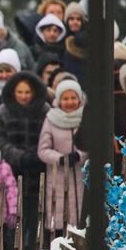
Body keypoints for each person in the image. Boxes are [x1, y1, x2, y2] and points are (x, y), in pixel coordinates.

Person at [0, 72, 49, 250]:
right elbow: (0, 139)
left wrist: (36, 155)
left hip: (38, 173)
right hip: (12, 174)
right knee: (13, 220)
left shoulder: (45, 110)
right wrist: (18, 156)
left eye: (27, 92)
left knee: (35, 220)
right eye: (20, 92)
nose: (24, 96)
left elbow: (47, 137)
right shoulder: (3, 111)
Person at [37, 80, 87, 235]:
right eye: (65, 98)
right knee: (59, 219)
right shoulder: (51, 119)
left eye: (73, 98)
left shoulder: (86, 117)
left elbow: (94, 143)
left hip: (82, 174)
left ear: (79, 99)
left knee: (81, 219)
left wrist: (80, 155)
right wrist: (60, 158)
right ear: (59, 100)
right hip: (58, 177)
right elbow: (43, 150)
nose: (70, 102)